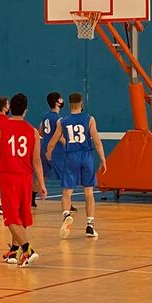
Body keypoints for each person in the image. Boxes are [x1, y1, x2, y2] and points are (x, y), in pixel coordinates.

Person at [0, 93, 46, 266]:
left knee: (10, 217)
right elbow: (36, 161)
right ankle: (14, 251)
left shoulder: (0, 127)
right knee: (20, 216)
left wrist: (5, 162)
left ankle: (27, 250)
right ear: (25, 110)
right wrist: (42, 184)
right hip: (26, 177)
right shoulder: (33, 131)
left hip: (8, 175)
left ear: (10, 108)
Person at [46, 92, 107, 239]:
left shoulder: (63, 121)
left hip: (71, 157)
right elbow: (96, 141)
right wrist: (103, 159)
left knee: (67, 192)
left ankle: (66, 214)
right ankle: (90, 226)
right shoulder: (89, 119)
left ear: (69, 104)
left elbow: (53, 141)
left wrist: (48, 153)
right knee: (89, 192)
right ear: (81, 104)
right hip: (86, 157)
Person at [37, 92, 66, 209]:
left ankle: (31, 199)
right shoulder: (59, 119)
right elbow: (60, 136)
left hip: (44, 147)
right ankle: (68, 203)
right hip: (56, 150)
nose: (62, 100)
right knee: (65, 176)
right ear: (57, 102)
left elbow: (40, 132)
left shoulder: (45, 116)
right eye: (60, 98)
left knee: (42, 175)